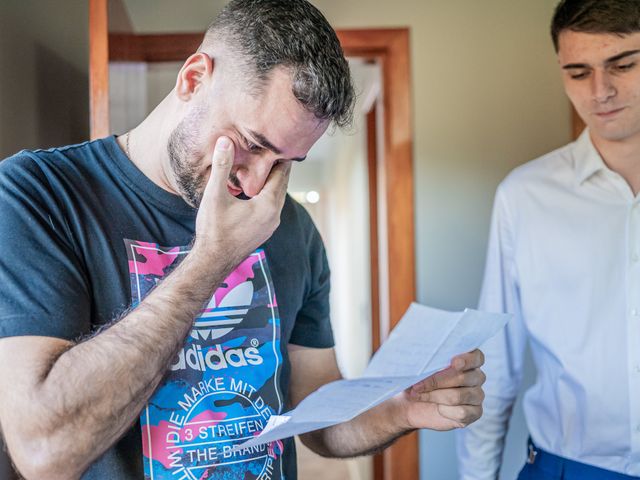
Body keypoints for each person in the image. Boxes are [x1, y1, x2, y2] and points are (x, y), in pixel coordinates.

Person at [0, 1, 486, 479]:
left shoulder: (291, 226)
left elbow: (316, 413)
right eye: (253, 145)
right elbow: (45, 451)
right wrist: (213, 257)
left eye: (284, 163)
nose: (255, 184)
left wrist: (401, 410)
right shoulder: (38, 194)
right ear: (194, 79)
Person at [456, 0, 640, 478]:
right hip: (569, 467)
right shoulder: (524, 196)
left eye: (624, 64)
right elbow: (495, 361)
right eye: (578, 73)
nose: (601, 91)